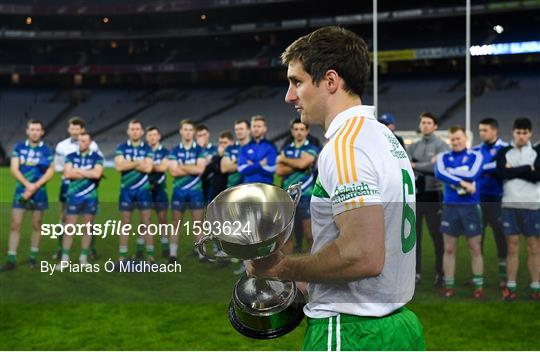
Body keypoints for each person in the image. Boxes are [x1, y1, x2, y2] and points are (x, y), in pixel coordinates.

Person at [248, 26, 424, 350]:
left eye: (296, 82)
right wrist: (305, 279)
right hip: (395, 324)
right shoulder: (383, 138)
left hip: (351, 330)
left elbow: (361, 257)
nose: (289, 96)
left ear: (330, 81)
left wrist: (280, 267)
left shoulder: (346, 147)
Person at [434, 125, 484, 299]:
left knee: (475, 247)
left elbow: (473, 173)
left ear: (465, 139)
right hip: (450, 206)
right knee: (448, 248)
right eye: (452, 139)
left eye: (458, 138)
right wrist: (462, 183)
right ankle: (449, 286)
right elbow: (439, 173)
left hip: (470, 207)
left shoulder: (476, 156)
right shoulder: (443, 157)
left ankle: (479, 286)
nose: (455, 142)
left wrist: (451, 174)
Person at [496, 117, 540, 301]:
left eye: (525, 133)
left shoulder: (537, 152)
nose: (521, 136)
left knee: (534, 247)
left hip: (533, 205)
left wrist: (513, 170)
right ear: (513, 132)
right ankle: (511, 287)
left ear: (530, 134)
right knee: (512, 247)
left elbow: (537, 175)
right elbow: (501, 173)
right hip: (510, 204)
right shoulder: (504, 151)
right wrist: (526, 169)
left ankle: (535, 287)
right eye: (518, 132)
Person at [4, 119, 54, 270]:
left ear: (42, 132)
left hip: (39, 192)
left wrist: (35, 186)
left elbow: (50, 171)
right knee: (15, 224)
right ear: (27, 131)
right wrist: (27, 185)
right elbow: (14, 168)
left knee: (36, 225)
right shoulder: (19, 147)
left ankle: (33, 257)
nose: (35, 132)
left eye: (38, 129)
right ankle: (11, 259)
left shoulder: (46, 150)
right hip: (21, 190)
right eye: (32, 129)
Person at [407, 112, 449, 286]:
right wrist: (426, 165)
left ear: (435, 126)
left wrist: (416, 165)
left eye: (428, 122)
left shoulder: (442, 145)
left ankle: (440, 273)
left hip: (434, 194)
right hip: (416, 195)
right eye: (423, 122)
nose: (425, 125)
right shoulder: (413, 146)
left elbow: (437, 167)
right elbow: (406, 165)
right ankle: (415, 273)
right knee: (413, 238)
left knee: (437, 236)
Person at [53, 117, 100, 260]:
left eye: (77, 129)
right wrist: (78, 173)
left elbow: (98, 168)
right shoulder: (61, 146)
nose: (74, 131)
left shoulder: (93, 145)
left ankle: (90, 249)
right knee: (64, 217)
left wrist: (76, 171)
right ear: (68, 129)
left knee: (89, 219)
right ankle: (61, 249)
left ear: (82, 130)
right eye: (72, 128)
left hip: (87, 186)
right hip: (68, 185)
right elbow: (58, 167)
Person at [472, 117, 508, 287]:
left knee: (501, 238)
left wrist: (481, 169)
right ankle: (478, 276)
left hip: (498, 200)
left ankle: (504, 276)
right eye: (480, 130)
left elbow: (500, 168)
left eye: (484, 130)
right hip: (478, 200)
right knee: (477, 239)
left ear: (494, 131)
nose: (481, 133)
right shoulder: (476, 150)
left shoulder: (505, 148)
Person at [276, 118, 319, 254]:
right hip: (287, 196)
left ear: (307, 131)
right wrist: (300, 165)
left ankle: (311, 265)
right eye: (296, 129)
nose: (299, 132)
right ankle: (288, 268)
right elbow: (279, 170)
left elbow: (302, 164)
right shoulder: (287, 148)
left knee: (309, 234)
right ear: (292, 131)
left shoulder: (312, 148)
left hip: (306, 195)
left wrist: (285, 160)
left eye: (302, 129)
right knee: (286, 235)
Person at [114, 119, 154, 262]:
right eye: (132, 129)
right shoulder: (121, 147)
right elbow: (118, 167)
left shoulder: (147, 148)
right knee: (125, 224)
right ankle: (122, 256)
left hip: (143, 190)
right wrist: (138, 162)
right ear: (128, 131)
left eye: (137, 129)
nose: (135, 131)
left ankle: (150, 255)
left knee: (146, 222)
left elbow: (148, 168)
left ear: (142, 132)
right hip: (126, 191)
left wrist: (128, 163)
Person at [168, 119, 206, 263]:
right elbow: (173, 171)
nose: (188, 132)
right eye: (185, 129)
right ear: (181, 131)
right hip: (179, 191)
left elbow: (200, 169)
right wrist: (192, 167)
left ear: (194, 132)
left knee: (198, 224)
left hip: (195, 191)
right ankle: (173, 254)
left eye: (190, 130)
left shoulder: (199, 150)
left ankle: (202, 254)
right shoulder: (174, 150)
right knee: (176, 223)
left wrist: (182, 166)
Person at [145, 126, 170, 258]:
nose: (152, 137)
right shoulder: (143, 151)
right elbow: (157, 167)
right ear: (146, 137)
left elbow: (163, 167)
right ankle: (145, 250)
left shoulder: (164, 151)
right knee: (145, 220)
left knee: (162, 219)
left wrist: (148, 166)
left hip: (160, 190)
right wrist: (154, 166)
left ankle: (165, 247)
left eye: (154, 135)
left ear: (159, 136)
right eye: (150, 135)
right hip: (146, 189)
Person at [237, 115, 277, 185]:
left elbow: (272, 169)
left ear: (264, 128)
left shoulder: (271, 147)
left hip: (266, 186)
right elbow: (241, 169)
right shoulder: (244, 148)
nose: (256, 129)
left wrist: (252, 165)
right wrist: (260, 164)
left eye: (259, 126)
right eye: (254, 126)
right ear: (251, 128)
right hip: (248, 186)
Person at [202, 130, 234, 201]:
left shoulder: (236, 155)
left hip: (232, 188)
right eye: (220, 143)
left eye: (225, 143)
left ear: (232, 143)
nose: (222, 145)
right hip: (217, 191)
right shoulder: (215, 157)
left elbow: (223, 170)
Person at [221, 120, 250, 188]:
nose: (239, 132)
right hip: (233, 188)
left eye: (241, 129)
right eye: (236, 129)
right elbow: (224, 168)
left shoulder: (256, 147)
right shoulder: (230, 148)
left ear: (248, 130)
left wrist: (234, 163)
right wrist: (245, 163)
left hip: (250, 186)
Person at [196, 124, 218, 204]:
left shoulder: (215, 149)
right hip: (197, 183)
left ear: (208, 134)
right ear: (196, 137)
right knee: (198, 208)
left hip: (211, 183)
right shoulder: (194, 150)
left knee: (210, 205)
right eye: (199, 135)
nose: (202, 137)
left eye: (204, 134)